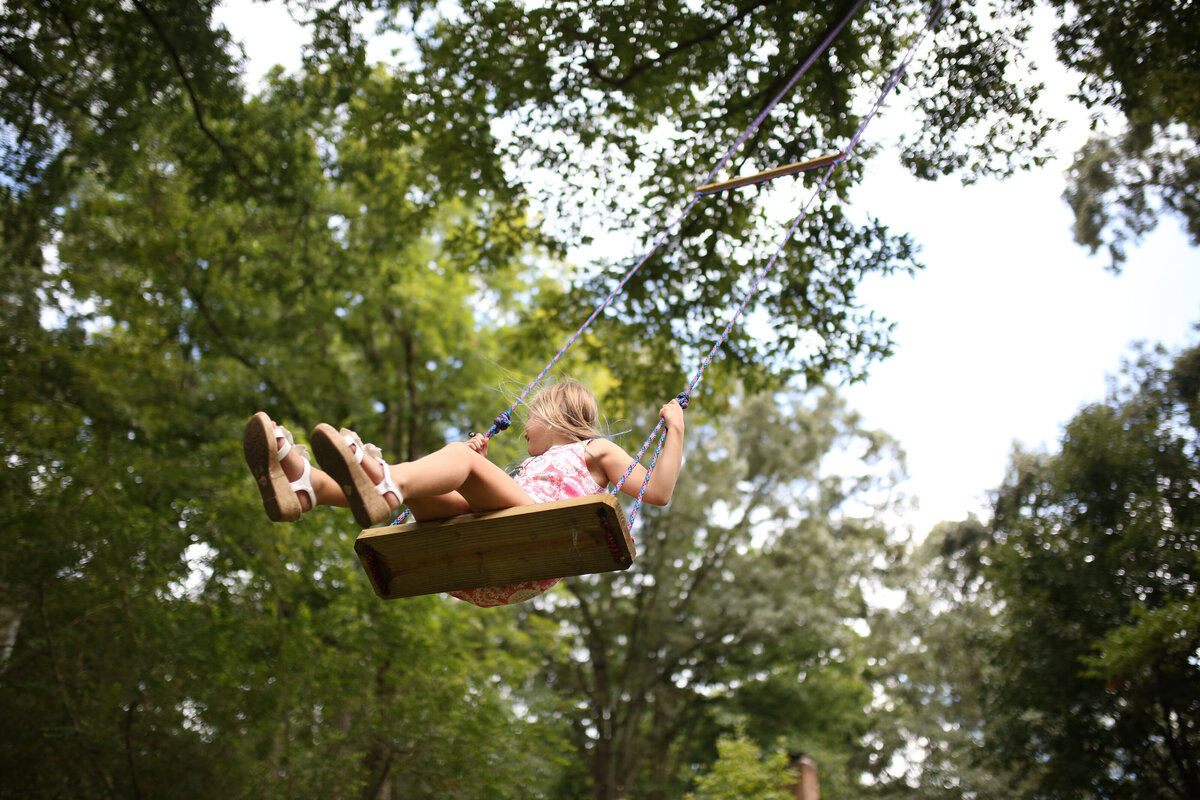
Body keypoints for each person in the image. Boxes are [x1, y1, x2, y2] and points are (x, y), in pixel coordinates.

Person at [243, 380, 686, 606]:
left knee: (455, 461)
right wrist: (468, 472)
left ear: (555, 418)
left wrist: (675, 428)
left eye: (533, 416)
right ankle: (307, 486)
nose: (526, 426)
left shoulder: (596, 449)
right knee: (423, 487)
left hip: (537, 540)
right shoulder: (533, 466)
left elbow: (659, 491)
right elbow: (497, 494)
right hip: (487, 557)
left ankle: (380, 479)